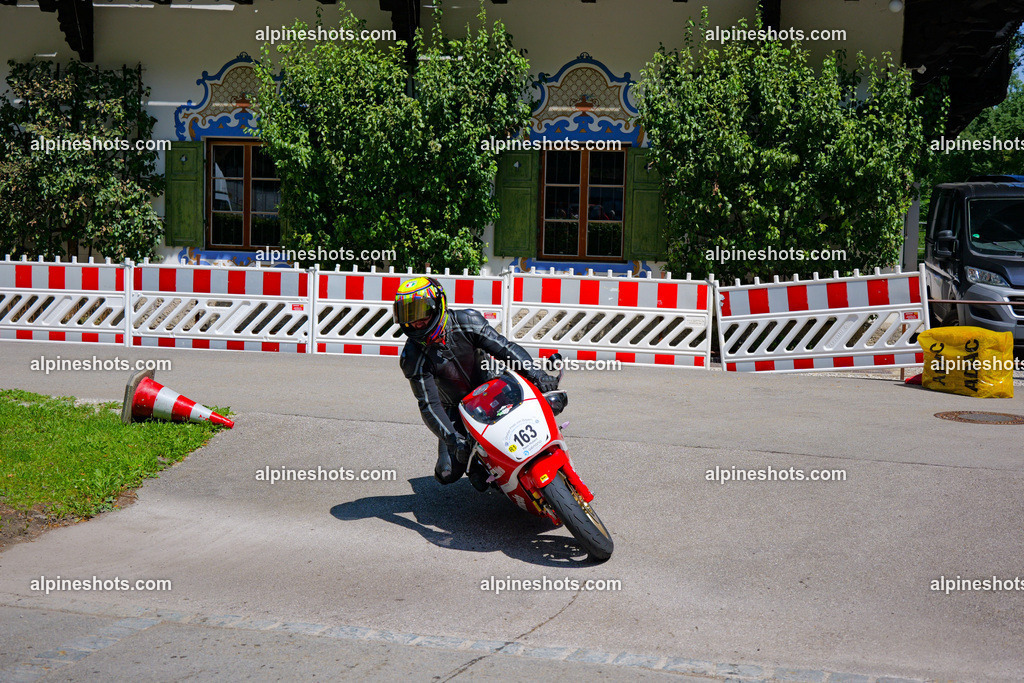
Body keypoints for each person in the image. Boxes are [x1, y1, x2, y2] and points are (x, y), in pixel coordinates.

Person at [393, 276, 565, 491]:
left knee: (549, 401)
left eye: (421, 312)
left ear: (438, 305)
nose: (415, 321)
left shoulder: (467, 320)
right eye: (408, 314)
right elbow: (429, 404)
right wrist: (453, 439)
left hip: (494, 386)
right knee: (447, 473)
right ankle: (477, 466)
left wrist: (537, 375)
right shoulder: (412, 357)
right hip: (455, 408)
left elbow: (504, 348)